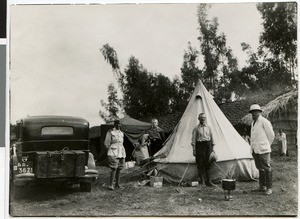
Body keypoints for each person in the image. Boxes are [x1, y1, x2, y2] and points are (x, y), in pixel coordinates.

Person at [249, 104, 275, 195]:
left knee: (267, 168)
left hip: (263, 149)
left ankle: (269, 187)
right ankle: (262, 186)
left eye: (256, 112)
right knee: (260, 168)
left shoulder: (264, 121)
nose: (254, 114)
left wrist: (266, 145)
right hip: (255, 150)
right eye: (252, 112)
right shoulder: (253, 123)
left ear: (260, 112)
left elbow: (271, 135)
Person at [191, 113, 215, 187]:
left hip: (208, 146)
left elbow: (212, 139)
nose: (203, 119)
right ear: (198, 119)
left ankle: (209, 181)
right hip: (200, 146)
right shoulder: (196, 128)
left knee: (208, 163)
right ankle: (202, 181)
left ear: (205, 119)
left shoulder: (209, 127)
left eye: (204, 118)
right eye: (201, 118)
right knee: (200, 163)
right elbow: (193, 141)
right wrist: (194, 150)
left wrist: (213, 149)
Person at [104, 119, 126, 191]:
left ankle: (117, 184)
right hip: (113, 151)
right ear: (115, 124)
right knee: (114, 168)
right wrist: (109, 150)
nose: (119, 125)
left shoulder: (121, 133)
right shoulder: (111, 132)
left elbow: (121, 143)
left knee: (120, 167)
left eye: (120, 124)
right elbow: (106, 143)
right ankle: (111, 185)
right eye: (117, 124)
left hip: (121, 151)